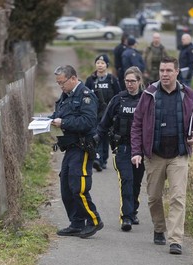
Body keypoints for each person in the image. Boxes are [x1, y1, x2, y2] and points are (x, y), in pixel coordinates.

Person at [131, 56, 193, 255]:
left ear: (177, 72)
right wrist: (136, 151)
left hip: (179, 154)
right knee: (154, 197)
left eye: (169, 71)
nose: (164, 74)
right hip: (154, 155)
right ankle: (159, 227)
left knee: (177, 197)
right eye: (162, 70)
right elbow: (137, 123)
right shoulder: (149, 94)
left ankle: (175, 239)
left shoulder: (188, 94)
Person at [50, 65, 104, 238]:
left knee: (78, 187)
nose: (60, 86)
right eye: (58, 83)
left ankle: (94, 220)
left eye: (62, 83)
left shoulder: (86, 96)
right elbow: (61, 114)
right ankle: (76, 223)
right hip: (70, 148)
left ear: (73, 78)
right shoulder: (66, 95)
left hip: (82, 147)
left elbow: (88, 121)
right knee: (66, 186)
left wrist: (63, 123)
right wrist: (48, 121)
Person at [96, 66, 145, 231]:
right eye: (127, 81)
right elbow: (104, 123)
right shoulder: (118, 100)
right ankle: (127, 217)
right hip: (122, 147)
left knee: (136, 182)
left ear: (139, 82)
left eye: (133, 81)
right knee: (127, 180)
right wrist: (96, 140)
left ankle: (133, 210)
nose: (130, 84)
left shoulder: (147, 100)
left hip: (141, 149)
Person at [85, 54, 121, 171]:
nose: (100, 65)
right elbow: (85, 95)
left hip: (108, 113)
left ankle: (104, 159)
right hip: (94, 113)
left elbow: (118, 95)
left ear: (107, 65)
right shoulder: (90, 80)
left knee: (106, 136)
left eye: (102, 63)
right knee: (96, 135)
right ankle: (97, 159)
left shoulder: (112, 79)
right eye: (98, 63)